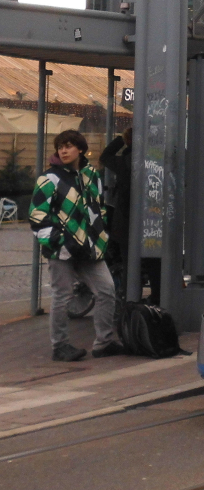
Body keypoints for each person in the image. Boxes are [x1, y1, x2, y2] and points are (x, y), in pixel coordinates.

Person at [28, 130, 123, 361]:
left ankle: (104, 342)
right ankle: (60, 346)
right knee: (63, 296)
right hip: (62, 249)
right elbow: (36, 216)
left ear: (80, 149)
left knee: (107, 290)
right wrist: (59, 240)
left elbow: (99, 208)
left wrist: (101, 237)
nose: (63, 150)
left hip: (90, 248)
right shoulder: (49, 179)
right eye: (60, 147)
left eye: (69, 146)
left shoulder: (91, 175)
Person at [98, 128, 131, 285]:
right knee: (153, 266)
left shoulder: (125, 162)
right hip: (150, 224)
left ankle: (129, 299)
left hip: (125, 221)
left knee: (128, 265)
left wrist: (120, 140)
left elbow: (104, 156)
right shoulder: (152, 160)